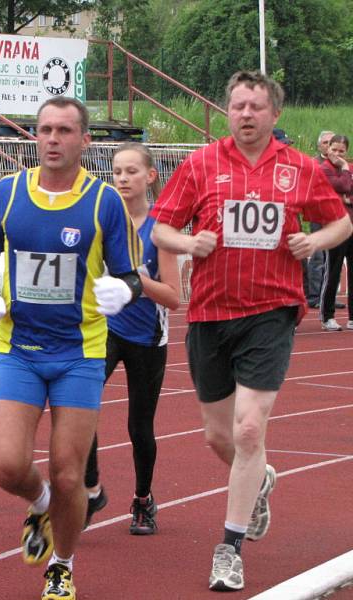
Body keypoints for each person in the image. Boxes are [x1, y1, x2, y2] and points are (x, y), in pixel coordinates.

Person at [150, 71, 351, 592]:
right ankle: (258, 479)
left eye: (255, 107)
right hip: (211, 313)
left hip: (272, 310)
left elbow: (341, 223)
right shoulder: (200, 164)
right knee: (220, 435)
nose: (245, 114)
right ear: (227, 111)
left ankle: (229, 548)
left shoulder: (301, 169)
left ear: (274, 115)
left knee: (247, 429)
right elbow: (160, 225)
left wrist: (316, 241)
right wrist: (189, 243)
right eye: (237, 106)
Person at [0, 96, 143, 600]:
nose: (52, 139)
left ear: (84, 141)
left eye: (65, 131)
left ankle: (62, 566)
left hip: (79, 352)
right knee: (5, 464)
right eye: (44, 130)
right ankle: (39, 501)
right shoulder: (7, 194)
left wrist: (125, 290)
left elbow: (130, 272)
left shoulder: (103, 202)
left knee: (71, 475)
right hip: (19, 347)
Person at [82, 143, 180, 535]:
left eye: (131, 171)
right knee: (79, 410)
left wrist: (136, 283)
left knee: (140, 427)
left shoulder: (160, 230)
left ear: (150, 177)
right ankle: (91, 490)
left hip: (147, 337)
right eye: (117, 171)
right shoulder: (103, 221)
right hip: (104, 330)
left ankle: (143, 499)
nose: (121, 178)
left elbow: (174, 297)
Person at [318, 134, 353, 330]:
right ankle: (327, 315)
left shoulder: (349, 168)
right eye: (334, 149)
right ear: (327, 148)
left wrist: (346, 198)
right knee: (332, 271)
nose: (337, 154)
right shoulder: (324, 169)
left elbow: (346, 190)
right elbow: (343, 186)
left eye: (342, 151)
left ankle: (352, 317)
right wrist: (346, 172)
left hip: (351, 225)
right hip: (334, 226)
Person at [304, 131, 337, 307]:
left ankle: (328, 296)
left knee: (333, 258)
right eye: (325, 142)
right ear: (319, 146)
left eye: (331, 142)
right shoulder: (313, 164)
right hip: (317, 214)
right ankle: (314, 296)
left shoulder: (340, 165)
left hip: (336, 216)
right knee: (317, 256)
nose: (328, 145)